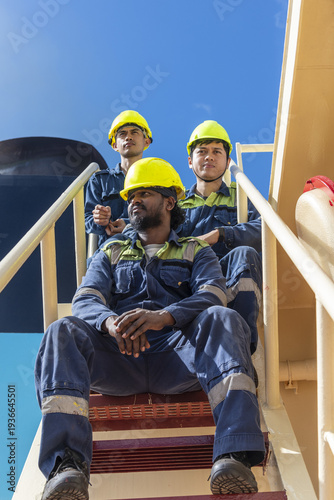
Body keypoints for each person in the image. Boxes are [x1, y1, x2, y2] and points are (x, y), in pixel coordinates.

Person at [35, 157, 265, 499]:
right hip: (119, 358)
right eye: (131, 196)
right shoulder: (110, 250)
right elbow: (86, 298)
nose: (133, 201)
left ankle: (233, 455)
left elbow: (213, 293)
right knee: (62, 330)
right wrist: (110, 322)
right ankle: (66, 466)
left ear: (169, 202)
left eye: (144, 193)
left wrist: (165, 317)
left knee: (223, 317)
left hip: (178, 357)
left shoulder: (195, 249)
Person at [177, 120, 262, 355]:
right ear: (190, 161)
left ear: (227, 161)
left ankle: (242, 350)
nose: (209, 157)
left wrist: (222, 234)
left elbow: (264, 228)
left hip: (229, 273)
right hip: (191, 277)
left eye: (217, 152)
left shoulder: (242, 196)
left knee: (246, 254)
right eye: (202, 151)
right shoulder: (177, 205)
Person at [84, 109, 153, 247]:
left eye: (134, 132)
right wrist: (100, 220)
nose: (128, 137)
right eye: (122, 134)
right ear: (115, 145)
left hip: (147, 251)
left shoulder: (157, 179)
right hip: (109, 254)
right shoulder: (99, 181)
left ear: (146, 142)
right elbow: (88, 221)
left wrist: (128, 226)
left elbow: (165, 217)